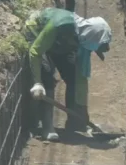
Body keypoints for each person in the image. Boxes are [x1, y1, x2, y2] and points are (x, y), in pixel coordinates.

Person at [23, 8, 111, 142]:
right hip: (38, 34)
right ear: (90, 38)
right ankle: (47, 126)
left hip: (59, 43)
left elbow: (81, 77)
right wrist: (37, 82)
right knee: (46, 75)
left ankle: (74, 122)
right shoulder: (61, 25)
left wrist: (82, 111)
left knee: (73, 75)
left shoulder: (83, 39)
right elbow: (35, 51)